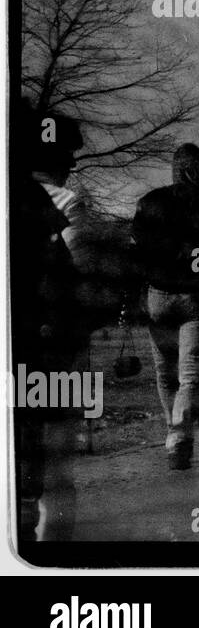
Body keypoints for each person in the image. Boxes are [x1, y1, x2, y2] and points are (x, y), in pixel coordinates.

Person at [132, 143, 199, 470]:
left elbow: (137, 252)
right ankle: (179, 434)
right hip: (197, 297)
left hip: (157, 296)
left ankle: (174, 434)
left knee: (165, 373)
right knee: (190, 374)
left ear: (175, 168)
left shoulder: (149, 203)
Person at [13, 102, 85, 539]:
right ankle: (53, 548)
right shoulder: (63, 205)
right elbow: (79, 270)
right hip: (51, 347)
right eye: (69, 154)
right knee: (56, 462)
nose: (75, 163)